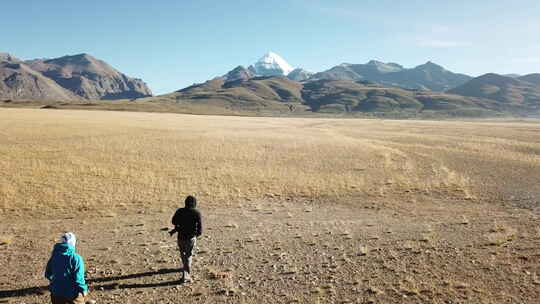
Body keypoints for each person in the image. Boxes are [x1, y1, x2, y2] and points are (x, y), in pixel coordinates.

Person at [45, 232, 89, 304]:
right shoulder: (76, 258)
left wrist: (55, 283)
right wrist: (84, 290)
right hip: (72, 295)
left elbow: (47, 274)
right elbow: (79, 279)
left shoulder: (54, 256)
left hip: (56, 294)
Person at [170, 195, 203, 283]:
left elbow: (173, 221)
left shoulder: (180, 211)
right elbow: (200, 228)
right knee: (188, 255)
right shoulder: (196, 213)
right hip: (191, 238)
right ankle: (186, 276)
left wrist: (180, 224)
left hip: (181, 237)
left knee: (183, 254)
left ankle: (185, 267)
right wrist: (196, 235)